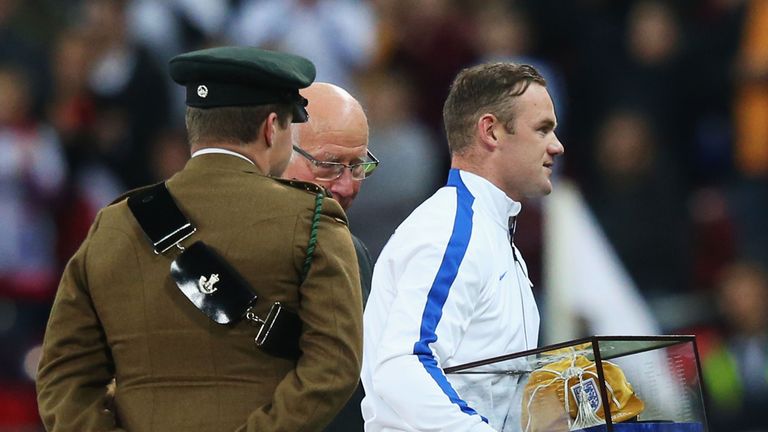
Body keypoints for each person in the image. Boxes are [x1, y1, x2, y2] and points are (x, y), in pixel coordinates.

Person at [36, 46, 363, 432]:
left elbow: (62, 376)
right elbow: (335, 366)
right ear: (271, 127)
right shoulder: (312, 221)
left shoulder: (114, 225)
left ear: (194, 125)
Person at [361, 62, 564, 431]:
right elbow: (402, 365)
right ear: (491, 131)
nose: (557, 146)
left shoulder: (492, 235)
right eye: (542, 129)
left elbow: (490, 390)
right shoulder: (452, 231)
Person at [282, 82, 377, 431]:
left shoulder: (350, 252)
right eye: (329, 164)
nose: (347, 185)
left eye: (358, 166)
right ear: (278, 149)